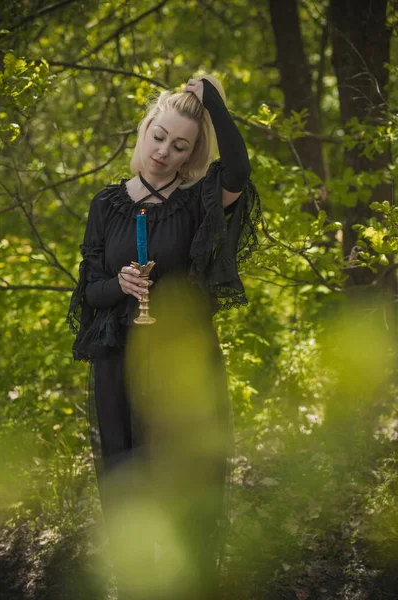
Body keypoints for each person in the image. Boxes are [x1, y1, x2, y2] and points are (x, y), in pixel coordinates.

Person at [67, 75, 261, 600]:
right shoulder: (106, 204)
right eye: (158, 136)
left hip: (182, 362)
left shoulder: (199, 201)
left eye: (180, 146)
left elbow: (240, 170)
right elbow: (88, 290)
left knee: (185, 477)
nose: (163, 152)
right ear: (145, 129)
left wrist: (212, 100)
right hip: (119, 362)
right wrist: (119, 283)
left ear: (192, 152)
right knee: (128, 480)